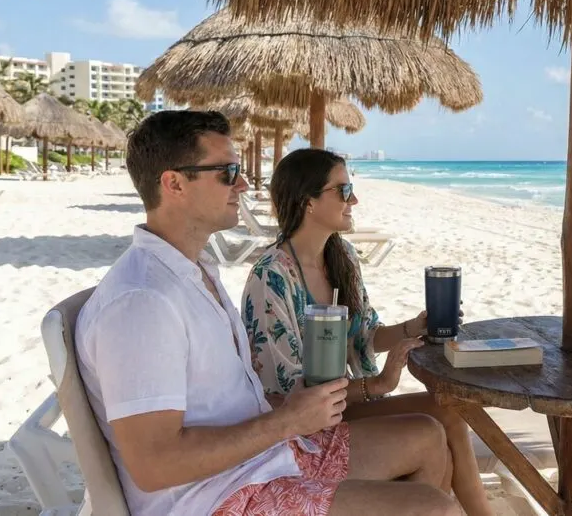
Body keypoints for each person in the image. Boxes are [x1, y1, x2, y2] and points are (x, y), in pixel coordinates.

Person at [75, 111, 460, 516]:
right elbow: (155, 465)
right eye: (227, 172)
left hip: (261, 459)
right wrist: (287, 421)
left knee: (427, 436)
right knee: (434, 509)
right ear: (173, 183)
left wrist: (288, 409)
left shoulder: (193, 273)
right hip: (215, 497)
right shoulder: (142, 303)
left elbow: (227, 400)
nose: (243, 183)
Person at [241, 148, 494, 516]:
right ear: (307, 201)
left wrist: (413, 328)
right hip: (304, 423)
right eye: (342, 191)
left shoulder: (341, 256)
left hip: (343, 402)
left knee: (448, 412)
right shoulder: (271, 277)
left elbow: (363, 337)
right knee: (433, 431)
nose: (354, 199)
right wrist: (373, 387)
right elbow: (286, 393)